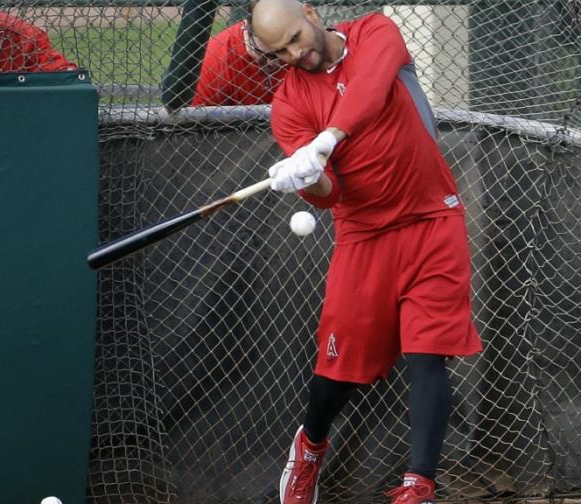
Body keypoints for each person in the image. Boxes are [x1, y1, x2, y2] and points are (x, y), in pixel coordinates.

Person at [249, 1, 483, 503]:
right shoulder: (289, 105)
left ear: (311, 13)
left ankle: (418, 486)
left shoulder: (375, 32)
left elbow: (371, 88)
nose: (295, 54)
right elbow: (330, 195)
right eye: (281, 51)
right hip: (364, 236)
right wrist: (309, 179)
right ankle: (310, 447)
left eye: (296, 37)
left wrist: (327, 139)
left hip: (433, 219)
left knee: (429, 354)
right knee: (338, 370)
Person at [191, 19, 289, 106]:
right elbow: (197, 118)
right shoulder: (216, 58)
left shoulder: (297, 46)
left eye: (281, 53)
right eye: (263, 55)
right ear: (246, 28)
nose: (272, 63)